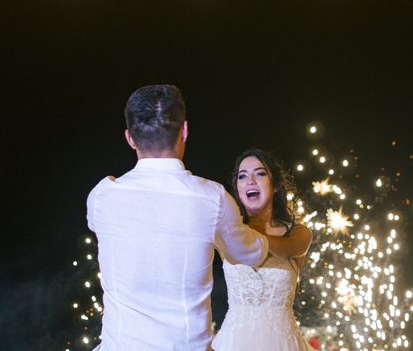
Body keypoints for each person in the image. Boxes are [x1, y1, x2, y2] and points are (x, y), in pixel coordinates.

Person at [86, 85, 269, 351]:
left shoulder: (101, 196)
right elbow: (250, 254)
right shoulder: (212, 198)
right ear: (184, 130)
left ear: (130, 138)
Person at [212, 149, 314, 351]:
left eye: (260, 173)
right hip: (233, 343)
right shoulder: (224, 233)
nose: (250, 181)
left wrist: (238, 234)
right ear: (238, 187)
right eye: (242, 176)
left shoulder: (299, 233)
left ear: (276, 185)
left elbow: (288, 249)